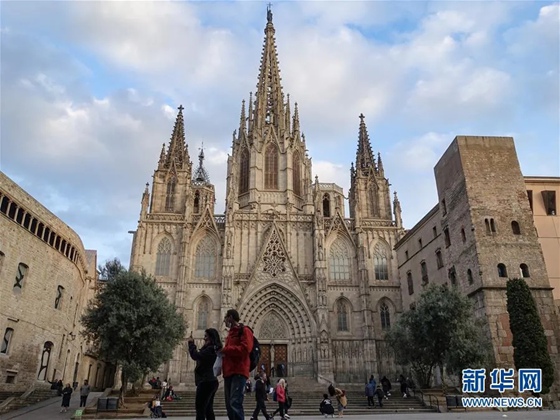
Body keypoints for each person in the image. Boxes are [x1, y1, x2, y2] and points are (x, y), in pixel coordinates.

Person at [221, 309, 253, 420]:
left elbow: (246, 349)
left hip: (239, 371)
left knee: (235, 403)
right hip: (228, 372)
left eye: (226, 317)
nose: (224, 320)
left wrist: (226, 350)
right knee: (229, 405)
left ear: (230, 317)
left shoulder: (244, 330)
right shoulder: (230, 334)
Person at [188, 328, 222, 420]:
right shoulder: (214, 349)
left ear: (211, 338)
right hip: (211, 381)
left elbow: (196, 356)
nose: (204, 338)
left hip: (206, 381)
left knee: (200, 409)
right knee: (208, 409)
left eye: (206, 336)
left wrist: (191, 344)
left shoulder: (210, 350)